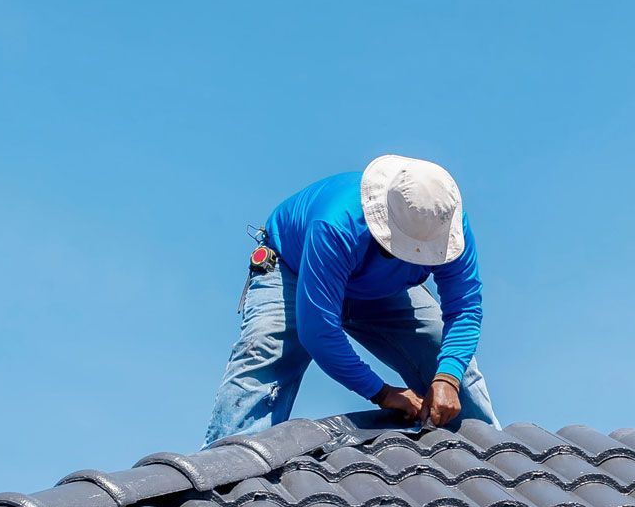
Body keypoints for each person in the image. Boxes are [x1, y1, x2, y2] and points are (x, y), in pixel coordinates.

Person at [204, 155, 499, 444]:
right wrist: (382, 393)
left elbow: (464, 308)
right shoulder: (335, 224)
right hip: (292, 270)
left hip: (384, 290)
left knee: (454, 368)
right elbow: (318, 332)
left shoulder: (445, 222)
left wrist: (448, 378)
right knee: (263, 358)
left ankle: (493, 464)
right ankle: (226, 477)